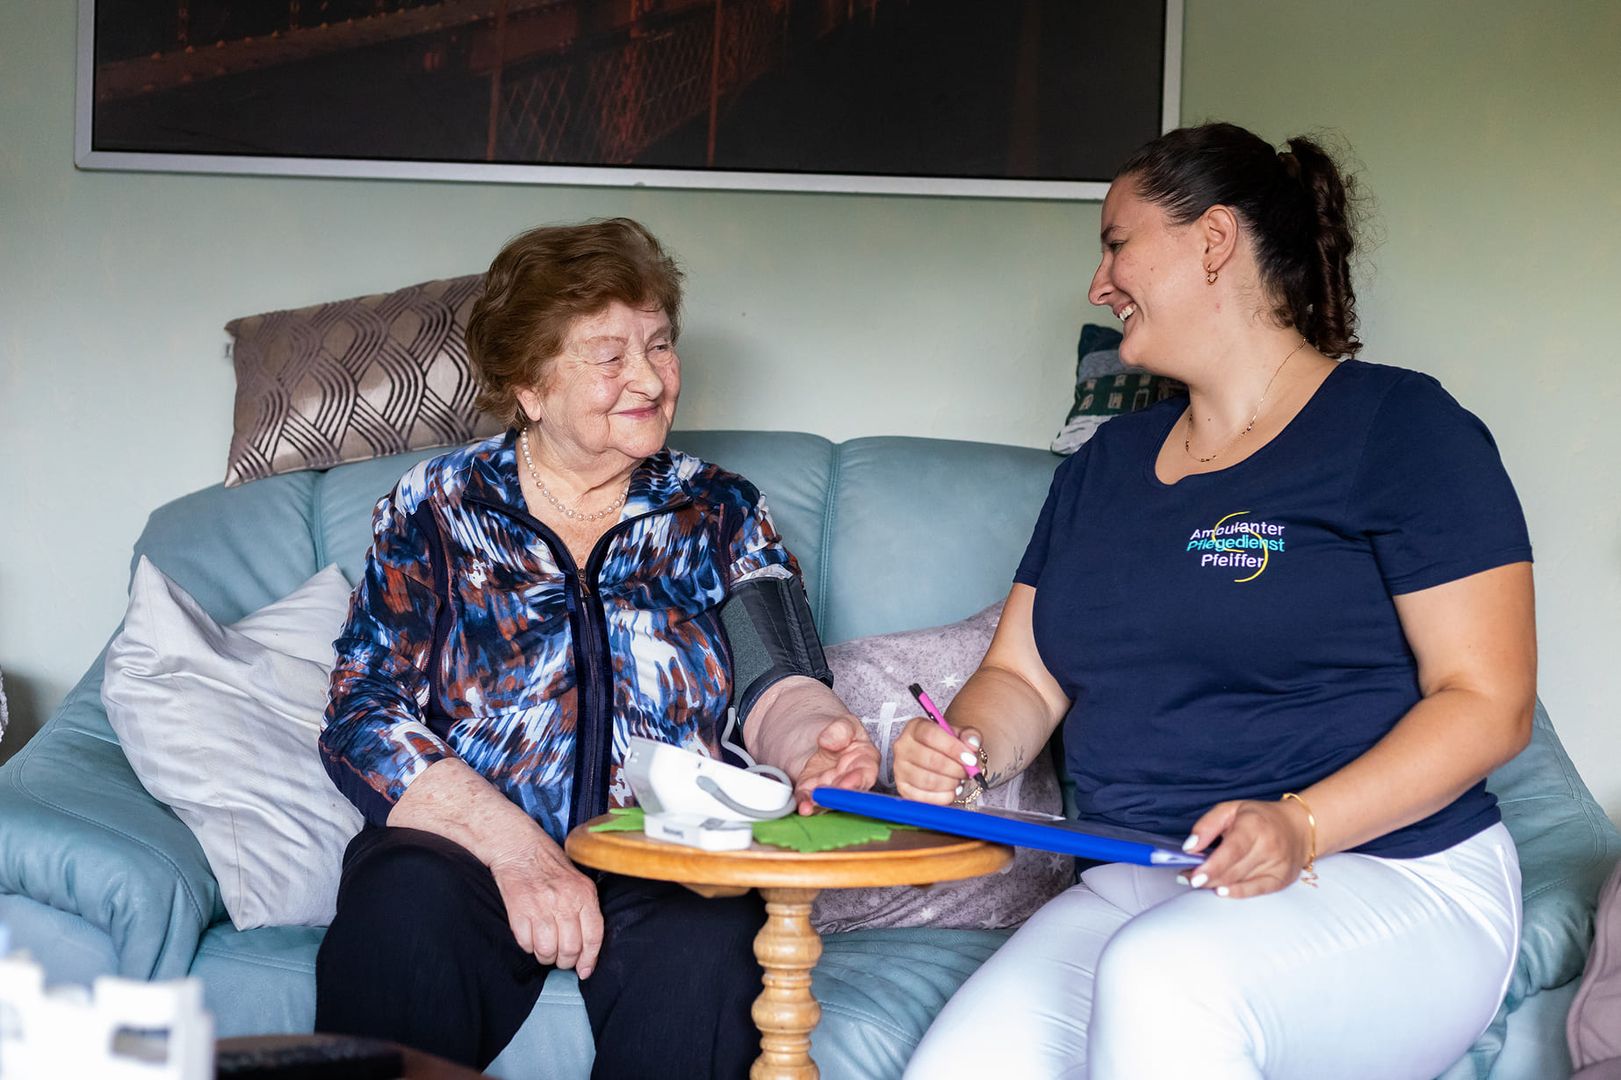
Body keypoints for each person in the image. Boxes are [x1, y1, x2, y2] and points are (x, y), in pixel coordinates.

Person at [896, 122, 1535, 1079]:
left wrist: (1300, 823)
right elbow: (1021, 678)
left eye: (1116, 243)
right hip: (1141, 883)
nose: (1097, 283)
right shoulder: (1102, 469)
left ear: (1213, 239)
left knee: (1167, 985)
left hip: (1389, 874)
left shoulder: (1403, 429)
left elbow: (1489, 704)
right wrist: (966, 749)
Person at [315, 218, 879, 1076]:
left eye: (660, 345)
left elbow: (779, 682)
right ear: (527, 387)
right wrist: (516, 851)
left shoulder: (719, 510)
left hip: (662, 849)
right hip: (464, 849)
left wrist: (817, 744)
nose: (649, 378)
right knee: (400, 915)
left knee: (706, 947)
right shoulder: (438, 504)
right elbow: (363, 710)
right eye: (609, 357)